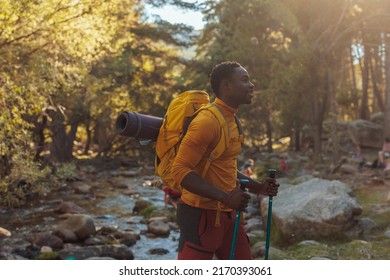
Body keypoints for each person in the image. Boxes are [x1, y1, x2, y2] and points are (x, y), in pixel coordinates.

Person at [171, 61, 279, 260]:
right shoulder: (206, 121)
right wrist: (225, 196)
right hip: (199, 216)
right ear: (226, 85)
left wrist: (259, 188)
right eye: (244, 80)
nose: (251, 85)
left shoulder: (233, 121)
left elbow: (224, 168)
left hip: (230, 216)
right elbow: (179, 171)